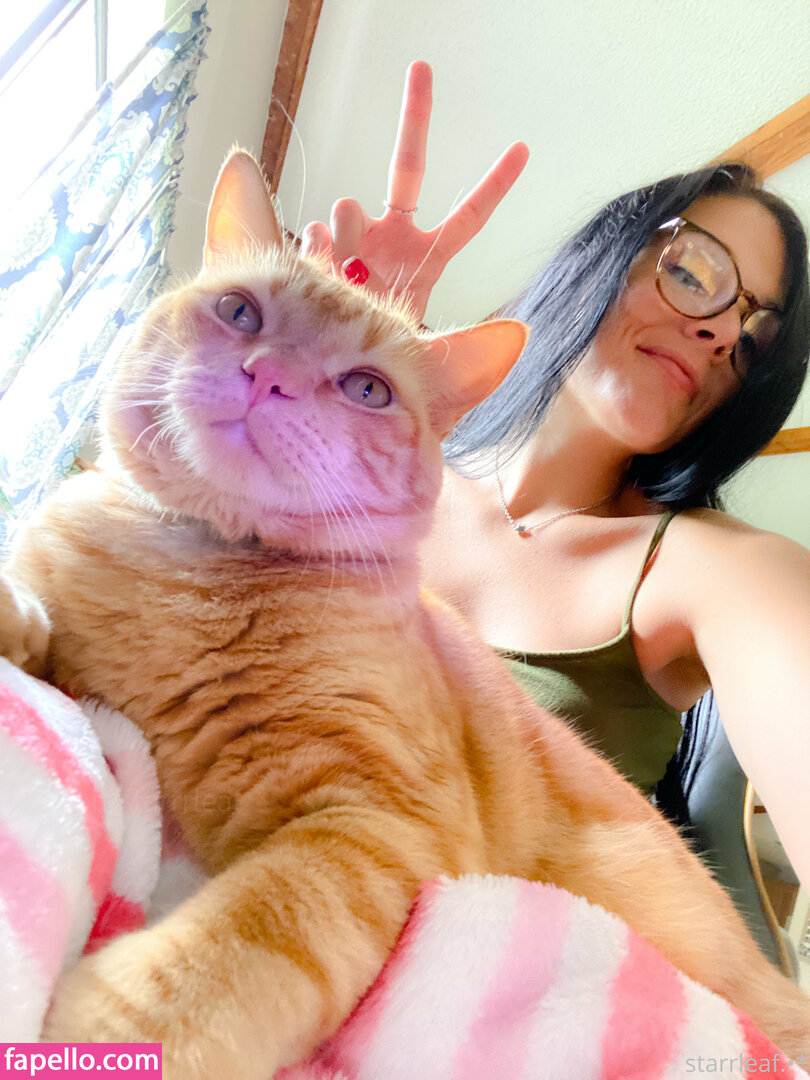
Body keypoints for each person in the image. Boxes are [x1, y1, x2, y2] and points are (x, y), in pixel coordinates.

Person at [300, 63, 810, 920]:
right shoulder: (381, 453)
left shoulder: (716, 570)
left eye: (755, 340)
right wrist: (327, 358)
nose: (723, 331)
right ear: (609, 250)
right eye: (696, 273)